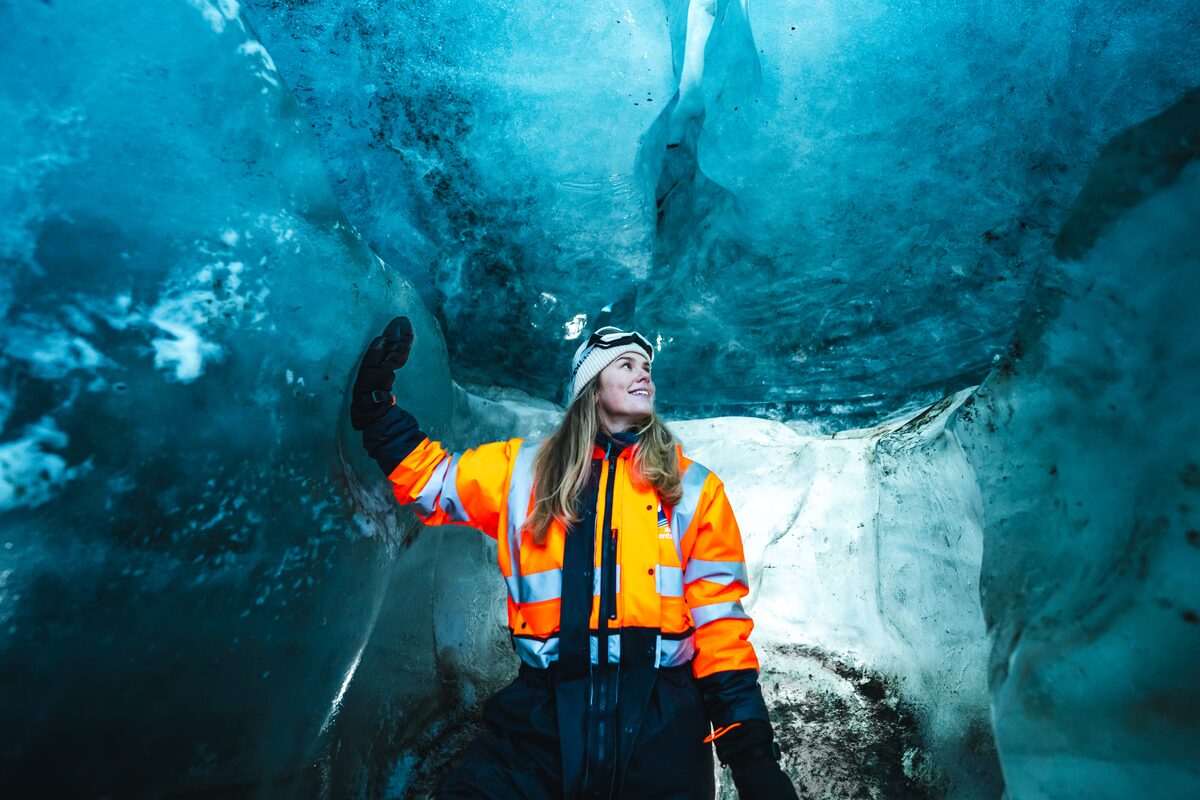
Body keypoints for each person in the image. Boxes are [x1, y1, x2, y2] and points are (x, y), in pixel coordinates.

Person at [350, 317, 798, 800]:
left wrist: (751, 755)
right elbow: (431, 480)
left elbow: (719, 626)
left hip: (661, 722)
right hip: (543, 715)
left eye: (646, 366)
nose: (644, 374)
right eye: (626, 364)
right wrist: (375, 409)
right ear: (591, 385)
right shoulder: (521, 472)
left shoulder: (693, 489)